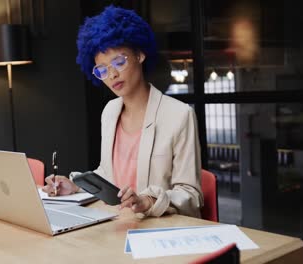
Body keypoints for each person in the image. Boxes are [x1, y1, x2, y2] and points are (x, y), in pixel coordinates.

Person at [43, 5, 203, 218]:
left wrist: (149, 201)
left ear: (139, 54)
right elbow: (109, 174)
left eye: (119, 61)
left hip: (158, 229)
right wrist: (75, 186)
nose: (112, 75)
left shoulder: (179, 115)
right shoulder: (110, 112)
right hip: (117, 222)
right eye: (102, 69)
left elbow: (190, 194)